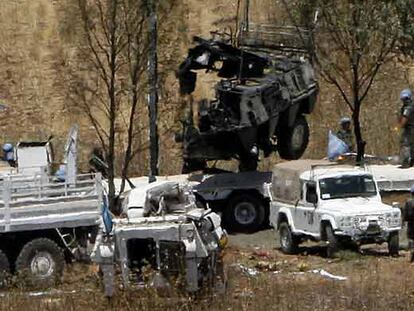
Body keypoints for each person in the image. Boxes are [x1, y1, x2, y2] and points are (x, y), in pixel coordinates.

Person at [397, 89, 414, 168]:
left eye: (405, 98)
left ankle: (406, 162)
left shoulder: (408, 107)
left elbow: (405, 117)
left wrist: (399, 126)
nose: (404, 100)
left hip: (410, 129)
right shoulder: (410, 106)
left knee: (406, 145)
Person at [404, 185, 414, 262]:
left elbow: (406, 215)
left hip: (411, 224)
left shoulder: (408, 202)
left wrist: (404, 220)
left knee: (411, 239)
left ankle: (412, 254)